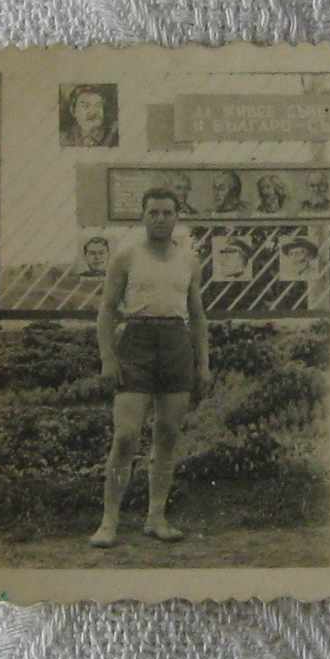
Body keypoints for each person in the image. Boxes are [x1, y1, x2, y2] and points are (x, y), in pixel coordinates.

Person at [89, 187, 211, 548]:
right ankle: (109, 521)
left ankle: (156, 517)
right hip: (136, 343)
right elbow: (107, 310)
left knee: (168, 435)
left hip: (176, 343)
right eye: (153, 212)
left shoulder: (188, 260)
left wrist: (203, 364)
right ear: (142, 216)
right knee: (126, 435)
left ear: (176, 217)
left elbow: (199, 316)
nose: (160, 219)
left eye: (167, 212)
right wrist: (108, 358)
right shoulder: (126, 257)